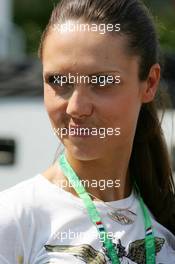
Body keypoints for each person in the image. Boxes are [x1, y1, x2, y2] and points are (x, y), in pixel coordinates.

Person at [0, 0, 175, 263]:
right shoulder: (14, 218)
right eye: (58, 81)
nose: (76, 108)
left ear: (149, 83)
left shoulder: (165, 222)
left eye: (101, 82)